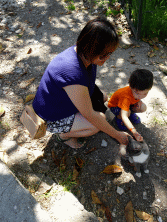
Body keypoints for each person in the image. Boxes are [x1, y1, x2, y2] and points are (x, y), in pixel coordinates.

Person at [33, 17, 139, 150]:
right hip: (51, 115)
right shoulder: (73, 72)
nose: (107, 58)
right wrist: (117, 135)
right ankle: (63, 136)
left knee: (104, 97)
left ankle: (75, 124)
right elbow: (90, 114)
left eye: (110, 54)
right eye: (103, 55)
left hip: (63, 100)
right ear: (91, 50)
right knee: (96, 123)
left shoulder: (83, 54)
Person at [108, 69, 153, 142]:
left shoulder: (137, 93)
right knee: (126, 114)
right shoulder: (125, 97)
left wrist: (138, 101)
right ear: (134, 89)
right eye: (143, 93)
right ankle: (118, 119)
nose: (144, 96)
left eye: (146, 93)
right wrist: (134, 132)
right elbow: (124, 116)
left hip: (128, 104)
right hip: (115, 106)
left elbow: (137, 99)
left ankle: (131, 114)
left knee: (142, 107)